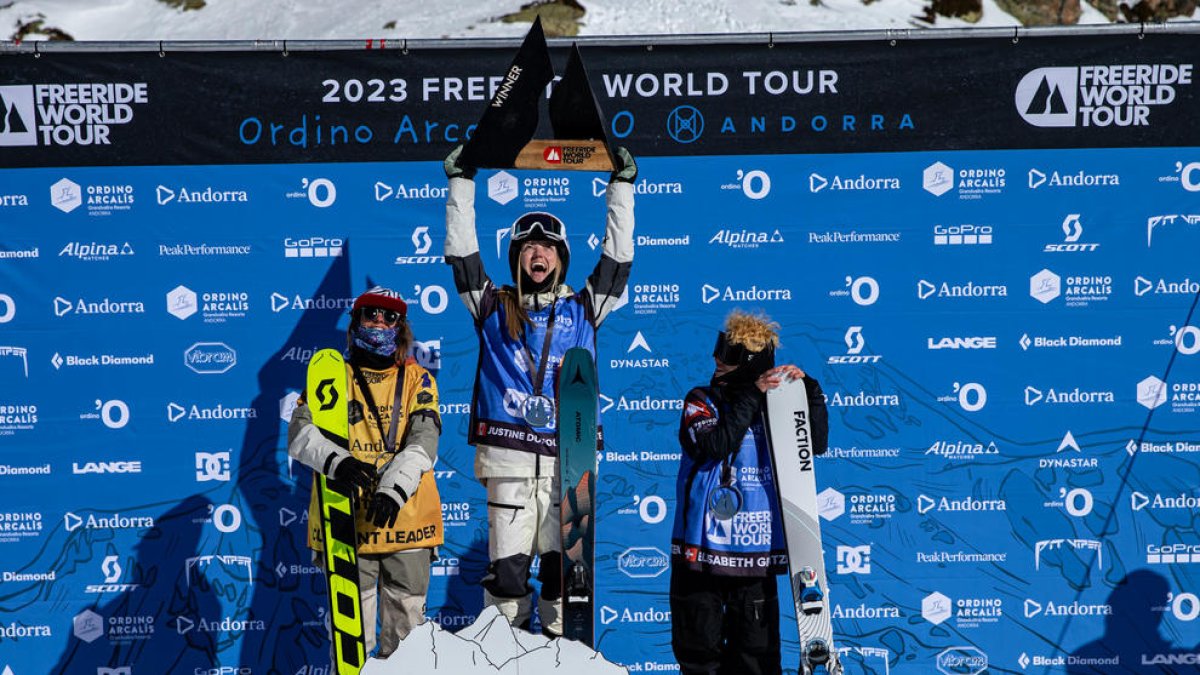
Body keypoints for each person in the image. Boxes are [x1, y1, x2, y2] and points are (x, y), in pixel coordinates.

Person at [442, 144, 637, 636]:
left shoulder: (583, 311)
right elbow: (463, 257)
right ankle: (504, 665)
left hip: (565, 468)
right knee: (506, 582)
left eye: (548, 246)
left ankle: (559, 664)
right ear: (516, 257)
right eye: (528, 246)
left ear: (561, 258)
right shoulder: (492, 308)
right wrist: (461, 184)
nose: (538, 252)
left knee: (562, 583)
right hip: (508, 465)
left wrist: (621, 189)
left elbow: (616, 261)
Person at [287, 285, 444, 659]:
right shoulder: (331, 374)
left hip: (407, 519)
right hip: (346, 520)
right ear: (355, 321)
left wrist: (393, 488)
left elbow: (424, 440)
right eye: (370, 313)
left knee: (407, 645)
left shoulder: (418, 378)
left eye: (389, 316)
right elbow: (300, 433)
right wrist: (338, 462)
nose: (379, 322)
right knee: (351, 647)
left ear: (401, 326)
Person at [670, 310, 830, 675]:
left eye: (727, 353)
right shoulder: (700, 400)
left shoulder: (778, 408)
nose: (716, 358)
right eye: (718, 349)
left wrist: (809, 395)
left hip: (752, 556)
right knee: (699, 658)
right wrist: (751, 394)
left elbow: (815, 446)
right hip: (701, 554)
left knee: (756, 661)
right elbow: (715, 445)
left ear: (748, 363)